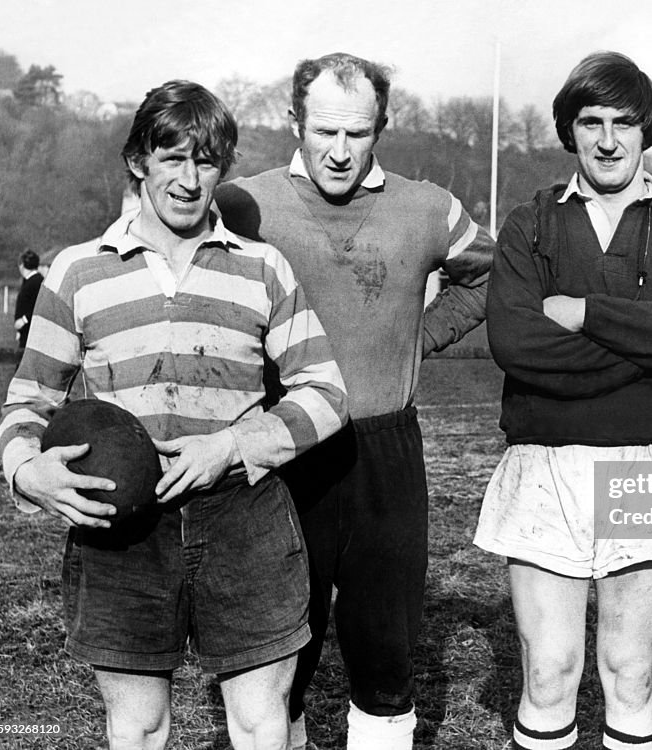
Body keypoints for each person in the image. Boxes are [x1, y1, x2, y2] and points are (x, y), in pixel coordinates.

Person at [0, 80, 348, 750]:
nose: (190, 181)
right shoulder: (77, 273)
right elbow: (29, 399)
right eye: (173, 159)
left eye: (207, 161)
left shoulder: (262, 268)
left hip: (242, 515)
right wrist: (28, 472)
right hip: (122, 530)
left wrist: (235, 445)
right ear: (139, 161)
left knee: (258, 722)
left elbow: (325, 392)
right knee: (138, 726)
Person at [215, 52, 494, 750]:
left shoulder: (428, 207)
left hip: (383, 450)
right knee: (279, 656)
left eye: (358, 134)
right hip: (282, 449)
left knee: (385, 651)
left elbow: (488, 276)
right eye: (325, 132)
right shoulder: (243, 203)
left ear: (382, 128)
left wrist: (417, 338)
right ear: (294, 123)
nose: (340, 153)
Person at [474, 52, 652, 750]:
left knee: (631, 671)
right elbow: (517, 344)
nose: (609, 139)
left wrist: (579, 311)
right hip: (545, 464)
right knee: (550, 672)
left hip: (644, 466)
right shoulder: (529, 225)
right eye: (592, 122)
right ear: (570, 131)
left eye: (625, 122)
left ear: (649, 131)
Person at [13, 249, 43, 348]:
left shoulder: (35, 282)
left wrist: (24, 320)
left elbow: (39, 305)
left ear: (22, 265)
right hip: (26, 332)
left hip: (31, 333)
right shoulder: (32, 280)